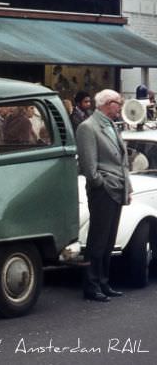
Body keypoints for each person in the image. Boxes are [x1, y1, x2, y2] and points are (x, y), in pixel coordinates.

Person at [76, 89, 131, 302]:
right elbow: (89, 165)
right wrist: (100, 183)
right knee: (98, 239)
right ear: (108, 103)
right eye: (119, 102)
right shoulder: (88, 127)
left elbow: (122, 160)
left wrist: (128, 186)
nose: (121, 106)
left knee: (108, 239)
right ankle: (91, 284)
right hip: (104, 189)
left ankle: (103, 281)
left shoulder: (110, 125)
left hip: (117, 187)